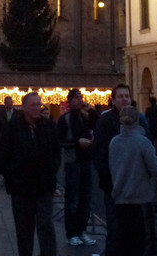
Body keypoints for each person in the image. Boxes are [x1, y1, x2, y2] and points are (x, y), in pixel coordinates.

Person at [2, 91, 60, 256]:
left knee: (45, 225)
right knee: (24, 228)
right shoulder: (13, 127)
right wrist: (12, 176)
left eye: (39, 104)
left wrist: (52, 170)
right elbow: (4, 154)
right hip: (21, 188)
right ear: (24, 107)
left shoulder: (48, 126)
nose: (37, 108)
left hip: (44, 185)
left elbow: (56, 151)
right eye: (33, 105)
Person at [109, 106, 157, 256]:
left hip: (120, 198)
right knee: (141, 242)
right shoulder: (142, 142)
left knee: (125, 241)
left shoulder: (114, 142)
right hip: (140, 199)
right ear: (138, 121)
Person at [92, 82, 135, 256]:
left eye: (127, 96)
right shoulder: (106, 120)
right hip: (114, 183)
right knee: (115, 226)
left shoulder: (135, 118)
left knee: (130, 227)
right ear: (113, 100)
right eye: (121, 96)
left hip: (133, 183)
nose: (124, 99)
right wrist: (108, 176)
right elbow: (100, 151)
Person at [56, 89, 97, 247]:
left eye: (81, 97)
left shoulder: (85, 116)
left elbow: (96, 123)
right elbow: (59, 141)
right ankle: (71, 233)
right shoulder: (64, 119)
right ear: (69, 101)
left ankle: (81, 230)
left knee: (85, 199)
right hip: (72, 161)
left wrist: (91, 109)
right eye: (76, 98)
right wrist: (76, 143)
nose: (79, 100)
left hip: (86, 160)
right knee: (72, 199)